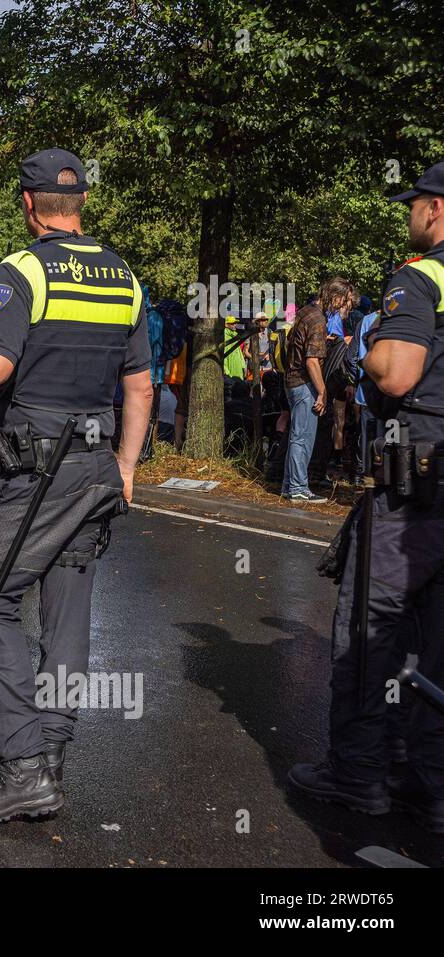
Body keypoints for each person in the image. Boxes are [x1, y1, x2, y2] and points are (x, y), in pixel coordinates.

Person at [0, 148, 153, 821]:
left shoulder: (20, 272)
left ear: (27, 203)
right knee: (68, 609)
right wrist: (127, 466)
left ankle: (21, 761)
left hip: (35, 468)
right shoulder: (125, 278)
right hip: (96, 464)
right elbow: (138, 384)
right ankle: (49, 750)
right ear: (79, 205)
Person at [290, 161, 444, 834]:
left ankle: (357, 773)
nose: (409, 213)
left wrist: (374, 346)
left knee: (371, 621)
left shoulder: (420, 277)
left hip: (414, 484)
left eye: (415, 204)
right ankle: (427, 781)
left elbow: (399, 371)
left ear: (435, 209)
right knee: (434, 637)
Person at [282, 279, 353, 502]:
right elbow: (312, 360)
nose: (344, 306)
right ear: (335, 296)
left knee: (297, 435)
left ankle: (289, 485)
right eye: (344, 300)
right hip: (304, 383)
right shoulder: (318, 319)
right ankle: (297, 488)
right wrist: (322, 392)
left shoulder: (307, 312)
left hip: (294, 380)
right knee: (302, 437)